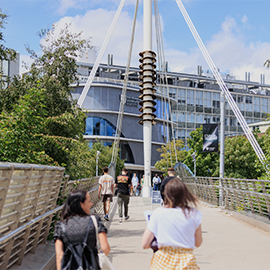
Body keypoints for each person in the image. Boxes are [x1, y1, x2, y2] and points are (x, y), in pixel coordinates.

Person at [142, 178, 202, 270]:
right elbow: (198, 243)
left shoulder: (158, 213)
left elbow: (145, 244)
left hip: (162, 263)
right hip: (186, 262)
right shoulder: (194, 214)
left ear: (166, 195)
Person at [54, 190, 110, 270]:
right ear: (81, 204)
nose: (91, 204)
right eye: (89, 201)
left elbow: (59, 256)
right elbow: (105, 248)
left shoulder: (61, 225)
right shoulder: (94, 220)